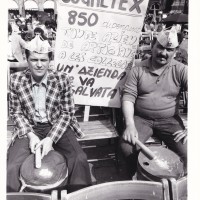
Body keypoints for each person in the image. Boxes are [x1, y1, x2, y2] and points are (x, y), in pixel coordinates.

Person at [7, 36, 92, 193]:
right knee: (11, 166)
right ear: (27, 59)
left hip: (57, 125)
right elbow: (16, 112)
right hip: (29, 128)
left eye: (43, 60)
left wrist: (50, 138)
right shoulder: (16, 80)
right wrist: (31, 135)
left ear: (49, 60)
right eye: (34, 59)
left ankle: (80, 195)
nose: (39, 64)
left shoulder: (62, 79)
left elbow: (67, 113)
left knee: (79, 159)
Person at [120, 27, 187, 178]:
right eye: (160, 47)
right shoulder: (138, 69)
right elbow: (128, 97)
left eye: (169, 49)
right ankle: (132, 181)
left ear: (175, 51)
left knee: (188, 151)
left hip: (170, 120)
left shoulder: (181, 70)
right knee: (127, 148)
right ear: (153, 45)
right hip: (141, 119)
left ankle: (181, 184)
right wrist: (130, 125)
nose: (163, 53)